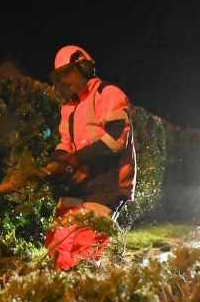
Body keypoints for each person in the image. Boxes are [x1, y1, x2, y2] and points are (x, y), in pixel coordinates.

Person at [41, 45, 136, 269]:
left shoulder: (107, 93)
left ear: (84, 67)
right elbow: (66, 143)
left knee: (84, 245)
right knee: (58, 239)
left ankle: (82, 291)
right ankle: (59, 288)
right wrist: (57, 162)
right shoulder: (69, 107)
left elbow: (116, 139)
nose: (65, 83)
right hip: (81, 182)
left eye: (68, 75)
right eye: (61, 78)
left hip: (109, 183)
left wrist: (75, 160)